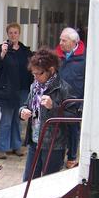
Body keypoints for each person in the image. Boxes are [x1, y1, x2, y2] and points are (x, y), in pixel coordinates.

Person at [19, 48, 76, 182]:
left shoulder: (64, 88)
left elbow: (73, 118)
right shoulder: (34, 86)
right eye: (33, 74)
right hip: (34, 142)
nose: (36, 77)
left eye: (39, 74)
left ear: (51, 70)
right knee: (28, 181)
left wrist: (53, 107)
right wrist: (21, 111)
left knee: (48, 184)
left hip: (54, 146)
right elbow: (26, 105)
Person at [0, 23, 33, 160]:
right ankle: (2, 148)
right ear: (7, 34)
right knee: (6, 120)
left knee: (18, 119)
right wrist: (2, 53)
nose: (13, 35)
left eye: (15, 33)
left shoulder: (25, 50)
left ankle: (16, 146)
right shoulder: (1, 49)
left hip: (22, 90)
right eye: (11, 33)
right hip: (7, 91)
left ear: (19, 34)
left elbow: (31, 68)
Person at [56, 27, 86, 169]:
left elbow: (87, 82)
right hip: (57, 100)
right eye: (60, 39)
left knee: (73, 131)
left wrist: (82, 103)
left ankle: (72, 157)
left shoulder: (84, 59)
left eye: (64, 40)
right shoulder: (56, 56)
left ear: (74, 42)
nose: (60, 43)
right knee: (58, 130)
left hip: (74, 102)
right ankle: (58, 155)